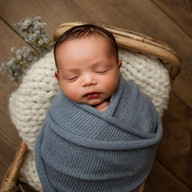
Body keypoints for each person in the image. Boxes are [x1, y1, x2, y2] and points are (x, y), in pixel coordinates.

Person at [35, 24, 162, 192]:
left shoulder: (134, 101)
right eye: (73, 77)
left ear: (118, 68)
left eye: (101, 71)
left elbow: (145, 126)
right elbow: (52, 144)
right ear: (59, 80)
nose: (88, 81)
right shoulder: (60, 108)